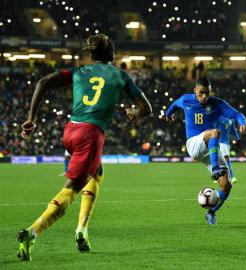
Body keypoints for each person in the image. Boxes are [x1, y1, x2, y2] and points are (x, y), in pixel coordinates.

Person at [17, 33, 152, 261]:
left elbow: (43, 82)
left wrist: (32, 118)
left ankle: (82, 229)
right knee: (71, 189)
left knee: (97, 173)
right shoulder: (120, 75)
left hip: (70, 130)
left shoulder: (79, 72)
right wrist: (134, 112)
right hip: (91, 133)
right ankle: (32, 232)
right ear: (111, 55)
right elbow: (146, 107)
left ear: (91, 55)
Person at [164, 78, 246, 225]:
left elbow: (237, 114)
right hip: (194, 145)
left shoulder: (218, 103)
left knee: (226, 185)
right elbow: (174, 104)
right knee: (215, 132)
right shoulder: (186, 100)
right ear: (195, 90)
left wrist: (243, 123)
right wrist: (168, 113)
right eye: (201, 93)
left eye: (207, 93)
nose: (204, 96)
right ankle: (215, 169)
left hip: (211, 149)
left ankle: (211, 212)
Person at [215, 116, 240, 183]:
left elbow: (233, 129)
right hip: (223, 142)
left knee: (221, 160)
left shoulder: (222, 118)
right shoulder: (228, 119)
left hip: (223, 142)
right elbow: (233, 130)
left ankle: (218, 176)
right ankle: (231, 177)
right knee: (224, 160)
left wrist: (237, 138)